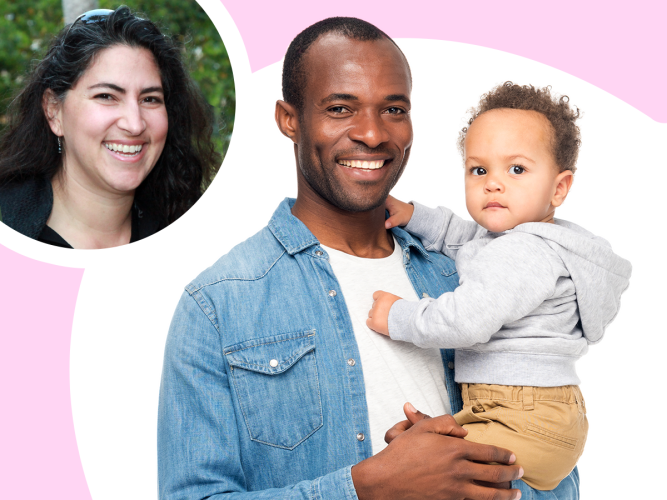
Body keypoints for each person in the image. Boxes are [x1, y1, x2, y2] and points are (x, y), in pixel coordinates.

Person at [158, 18, 579, 499]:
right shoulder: (218, 305)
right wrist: (369, 487)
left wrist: (461, 473)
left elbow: (557, 469)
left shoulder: (471, 272)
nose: (374, 134)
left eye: (394, 109)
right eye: (341, 108)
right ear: (289, 119)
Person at [366, 83, 632, 490]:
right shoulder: (519, 240)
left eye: (517, 169)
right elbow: (465, 237)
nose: (493, 183)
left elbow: (465, 321)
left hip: (522, 415)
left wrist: (399, 316)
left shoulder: (524, 253)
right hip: (539, 414)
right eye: (479, 170)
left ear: (559, 188)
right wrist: (415, 216)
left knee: (424, 473)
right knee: (425, 452)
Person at [0, 6, 220, 249]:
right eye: (106, 96)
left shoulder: (199, 238)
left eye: (150, 99)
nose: (134, 124)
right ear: (54, 111)